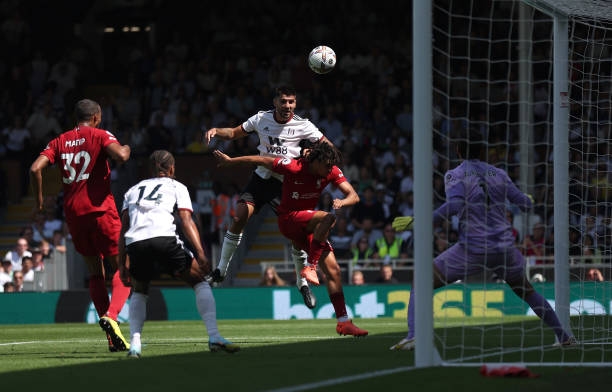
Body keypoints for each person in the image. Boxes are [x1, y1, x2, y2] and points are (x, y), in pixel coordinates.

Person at [389, 132, 576, 350]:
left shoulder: (455, 174)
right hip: (505, 248)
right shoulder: (499, 173)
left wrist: (419, 221)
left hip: (473, 248)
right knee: (527, 291)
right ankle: (563, 337)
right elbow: (525, 205)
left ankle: (414, 335)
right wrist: (527, 200)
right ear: (485, 151)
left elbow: (455, 206)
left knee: (420, 281)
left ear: (458, 151)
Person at [213, 142, 368, 336]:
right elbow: (260, 159)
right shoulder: (294, 166)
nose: (330, 170)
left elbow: (353, 195)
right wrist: (231, 161)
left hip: (310, 226)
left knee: (334, 271)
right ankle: (310, 266)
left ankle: (343, 321)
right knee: (328, 218)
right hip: (289, 220)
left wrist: (342, 201)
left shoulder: (330, 171)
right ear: (317, 161)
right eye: (327, 165)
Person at [203, 85, 333, 310]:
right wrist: (216, 130)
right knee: (240, 215)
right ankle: (221, 271)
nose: (288, 106)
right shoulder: (261, 118)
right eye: (284, 101)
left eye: (291, 102)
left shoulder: (303, 125)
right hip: (262, 177)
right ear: (275, 101)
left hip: (288, 183)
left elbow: (329, 147)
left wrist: (311, 153)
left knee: (297, 235)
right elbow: (234, 133)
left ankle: (302, 283)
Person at [29, 98, 132, 352]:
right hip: (101, 212)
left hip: (74, 215)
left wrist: (40, 202)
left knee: (95, 272)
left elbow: (34, 169)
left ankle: (110, 337)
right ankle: (113, 316)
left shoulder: (59, 141)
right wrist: (127, 148)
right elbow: (120, 156)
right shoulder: (99, 134)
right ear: (96, 117)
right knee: (123, 268)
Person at [119, 150, 239, 358]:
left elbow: (123, 229)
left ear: (150, 170)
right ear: (172, 169)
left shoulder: (132, 191)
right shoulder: (177, 186)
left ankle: (135, 345)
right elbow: (186, 221)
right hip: (164, 239)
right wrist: (201, 253)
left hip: (135, 243)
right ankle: (214, 336)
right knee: (199, 281)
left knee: (139, 290)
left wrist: (121, 263)